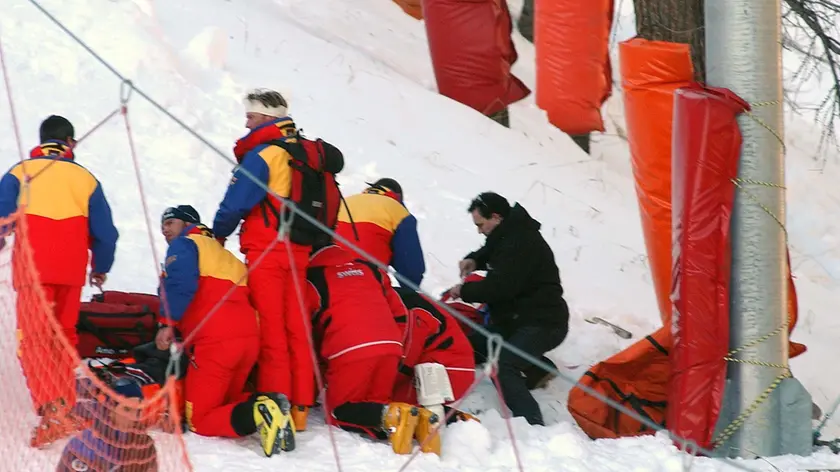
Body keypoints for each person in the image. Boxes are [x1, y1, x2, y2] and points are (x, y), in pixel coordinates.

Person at [0, 115, 119, 446]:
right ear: (70, 142)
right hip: (71, 272)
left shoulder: (20, 172)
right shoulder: (86, 178)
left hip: (33, 271)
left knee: (33, 339)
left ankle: (52, 410)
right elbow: (107, 234)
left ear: (41, 141)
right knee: (63, 337)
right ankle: (65, 406)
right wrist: (100, 266)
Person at [211, 89, 317, 430]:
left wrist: (219, 232)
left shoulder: (266, 154)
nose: (246, 123)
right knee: (297, 330)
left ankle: (276, 405)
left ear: (268, 118)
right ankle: (301, 407)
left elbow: (236, 202)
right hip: (300, 251)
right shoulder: (307, 152)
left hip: (267, 250)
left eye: (251, 116)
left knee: (272, 330)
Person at [157, 205, 294, 456]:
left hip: (215, 342)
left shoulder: (186, 245)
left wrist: (167, 322)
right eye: (162, 225)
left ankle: (259, 413)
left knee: (200, 419)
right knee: (225, 404)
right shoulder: (226, 256)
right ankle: (271, 406)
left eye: (170, 222)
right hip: (247, 341)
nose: (165, 229)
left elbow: (180, 285)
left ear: (187, 224)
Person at [305, 242, 441, 455]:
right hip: (391, 347)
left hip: (349, 351)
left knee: (340, 411)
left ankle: (394, 414)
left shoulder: (312, 278)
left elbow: (305, 333)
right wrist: (392, 342)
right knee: (374, 404)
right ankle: (421, 420)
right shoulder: (370, 268)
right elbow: (399, 312)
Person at [450, 192, 568, 426]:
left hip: (543, 322)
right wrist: (475, 259)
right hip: (516, 319)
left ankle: (532, 423)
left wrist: (464, 291)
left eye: (480, 225)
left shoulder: (520, 243)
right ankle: (539, 369)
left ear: (495, 217)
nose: (479, 231)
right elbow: (491, 249)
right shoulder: (507, 232)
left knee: (502, 366)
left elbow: (498, 288)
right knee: (471, 345)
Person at [390, 286, 476, 408]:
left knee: (385, 403)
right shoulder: (392, 299)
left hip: (450, 371)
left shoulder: (407, 307)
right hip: (429, 364)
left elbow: (407, 355)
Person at [335, 178, 425, 287]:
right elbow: (411, 271)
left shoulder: (342, 202)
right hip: (366, 282)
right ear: (398, 197)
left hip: (327, 278)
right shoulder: (398, 211)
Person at [56, 378, 157, 472]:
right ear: (110, 410)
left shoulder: (144, 444)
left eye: (138, 410)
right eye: (127, 409)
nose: (134, 417)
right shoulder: (85, 446)